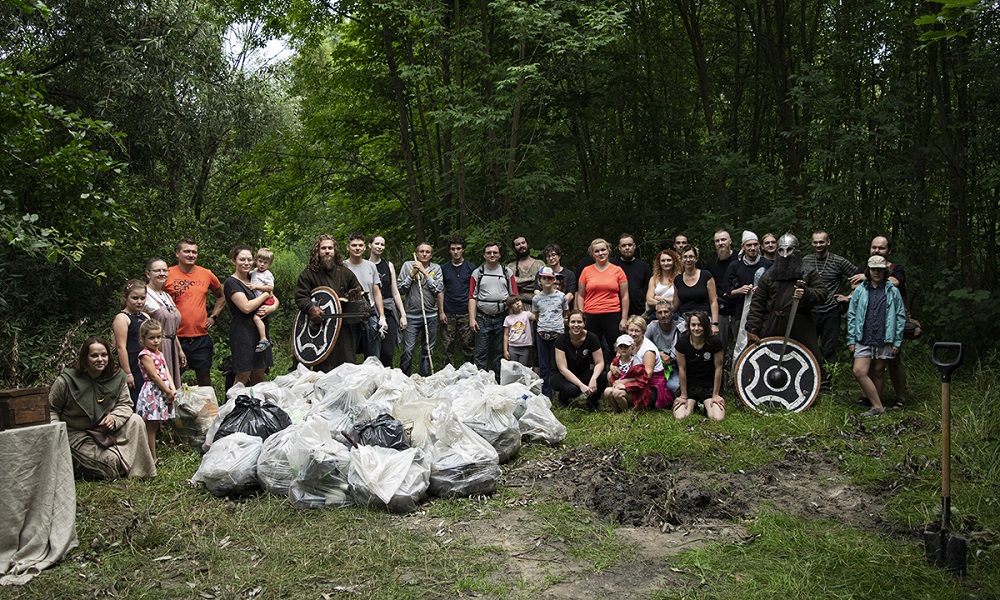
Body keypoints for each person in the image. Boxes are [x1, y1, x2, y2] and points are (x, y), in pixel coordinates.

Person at [48, 337, 157, 479]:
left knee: (135, 420)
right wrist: (58, 433)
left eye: (104, 355)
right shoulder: (66, 381)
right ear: (85, 358)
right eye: (94, 356)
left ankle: (141, 471)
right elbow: (51, 409)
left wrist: (114, 417)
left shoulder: (117, 378)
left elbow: (125, 404)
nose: (100, 359)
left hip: (108, 431)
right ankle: (118, 460)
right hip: (78, 434)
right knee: (111, 463)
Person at [745, 233, 828, 363]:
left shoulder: (808, 272)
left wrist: (806, 293)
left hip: (801, 326)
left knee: (811, 362)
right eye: (781, 250)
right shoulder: (769, 275)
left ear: (796, 251)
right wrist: (752, 329)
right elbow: (757, 303)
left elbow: (822, 294)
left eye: (789, 250)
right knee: (769, 361)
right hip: (774, 325)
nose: (785, 255)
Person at [850, 235, 909, 407]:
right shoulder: (865, 277)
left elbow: (896, 282)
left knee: (890, 365)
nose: (876, 250)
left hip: (889, 327)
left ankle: (900, 398)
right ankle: (873, 401)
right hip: (867, 329)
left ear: (888, 250)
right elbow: (854, 289)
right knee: (864, 368)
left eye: (881, 248)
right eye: (874, 247)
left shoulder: (896, 270)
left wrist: (865, 277)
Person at [296, 235, 363, 372]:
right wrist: (311, 308)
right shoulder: (308, 274)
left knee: (344, 370)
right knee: (317, 374)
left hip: (341, 329)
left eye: (330, 248)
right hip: (316, 329)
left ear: (335, 251)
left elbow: (359, 294)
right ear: (317, 251)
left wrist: (355, 301)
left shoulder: (345, 273)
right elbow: (301, 297)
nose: (327, 251)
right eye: (323, 248)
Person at [165, 239, 226, 387]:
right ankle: (174, 409)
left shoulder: (206, 274)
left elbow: (222, 296)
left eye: (194, 252)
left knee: (204, 380)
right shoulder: (167, 274)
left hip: (200, 337)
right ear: (177, 253)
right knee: (171, 379)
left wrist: (213, 316)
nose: (191, 255)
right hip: (174, 337)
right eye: (187, 251)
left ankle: (207, 409)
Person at [802, 231, 857, 383]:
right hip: (810, 311)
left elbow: (860, 276)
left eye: (821, 242)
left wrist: (849, 297)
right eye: (815, 242)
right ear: (812, 244)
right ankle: (809, 381)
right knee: (808, 347)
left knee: (828, 349)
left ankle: (826, 384)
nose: (818, 245)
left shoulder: (838, 261)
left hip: (830, 311)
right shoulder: (806, 260)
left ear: (828, 242)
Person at [225, 245, 278, 386]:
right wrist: (266, 294)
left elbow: (274, 297)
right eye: (242, 259)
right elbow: (246, 307)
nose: (246, 263)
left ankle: (255, 404)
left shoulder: (255, 277)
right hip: (243, 332)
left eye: (249, 259)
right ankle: (234, 404)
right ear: (234, 261)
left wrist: (272, 307)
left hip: (261, 332)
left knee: (259, 372)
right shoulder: (232, 283)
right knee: (244, 373)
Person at [576, 238, 629, 363]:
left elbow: (625, 295)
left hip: (612, 313)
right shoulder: (586, 271)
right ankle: (592, 377)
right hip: (591, 314)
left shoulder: (617, 270)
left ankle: (616, 374)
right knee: (590, 349)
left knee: (615, 347)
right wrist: (581, 315)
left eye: (603, 250)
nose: (601, 253)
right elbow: (580, 295)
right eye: (597, 251)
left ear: (608, 251)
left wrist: (624, 318)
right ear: (593, 254)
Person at [723, 231, 772, 361]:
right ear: (743, 247)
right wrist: (739, 290)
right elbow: (727, 292)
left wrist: (762, 290)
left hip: (764, 315)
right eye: (749, 245)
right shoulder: (735, 266)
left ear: (759, 246)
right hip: (740, 314)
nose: (752, 248)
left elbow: (775, 290)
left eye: (755, 245)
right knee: (742, 346)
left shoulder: (768, 265)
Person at [398, 242, 445, 376]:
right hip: (411, 315)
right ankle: (404, 378)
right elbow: (401, 289)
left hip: (430, 315)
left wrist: (424, 273)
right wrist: (412, 274)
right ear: (417, 253)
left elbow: (438, 289)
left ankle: (424, 378)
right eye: (422, 251)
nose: (424, 254)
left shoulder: (436, 269)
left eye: (427, 252)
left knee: (428, 350)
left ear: (431, 255)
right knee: (408, 350)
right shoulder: (408, 265)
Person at [673, 311, 726, 421]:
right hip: (690, 387)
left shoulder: (715, 342)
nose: (696, 328)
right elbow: (682, 369)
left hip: (708, 387)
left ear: (706, 326)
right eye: (693, 325)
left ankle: (704, 405)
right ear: (689, 326)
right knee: (681, 417)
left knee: (717, 418)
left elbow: (719, 368)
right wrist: (683, 395)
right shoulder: (682, 342)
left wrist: (715, 394)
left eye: (700, 325)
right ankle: (695, 404)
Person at [135, 319, 175, 465]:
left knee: (156, 424)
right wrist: (167, 391)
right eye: (151, 338)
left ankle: (153, 454)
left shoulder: (159, 353)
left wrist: (172, 388)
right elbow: (153, 375)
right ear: (143, 339)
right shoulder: (145, 355)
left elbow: (166, 371)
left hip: (163, 391)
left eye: (158, 337)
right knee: (151, 426)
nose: (156, 341)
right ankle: (151, 457)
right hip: (153, 391)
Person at [551, 310, 607, 409]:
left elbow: (600, 362)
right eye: (573, 322)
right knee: (574, 389)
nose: (576, 325)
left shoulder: (592, 338)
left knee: (602, 376)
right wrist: (581, 385)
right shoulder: (561, 340)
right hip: (561, 375)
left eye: (579, 322)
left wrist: (593, 378)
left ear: (584, 323)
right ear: (568, 324)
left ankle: (592, 402)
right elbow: (563, 369)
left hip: (582, 372)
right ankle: (562, 399)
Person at [144, 258, 184, 393]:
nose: (162, 273)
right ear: (148, 274)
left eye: (164, 270)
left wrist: (179, 349)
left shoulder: (167, 296)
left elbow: (171, 328)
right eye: (157, 270)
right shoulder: (144, 295)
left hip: (172, 344)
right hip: (157, 346)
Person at [345, 233, 386, 360]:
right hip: (350, 315)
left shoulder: (371, 266)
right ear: (348, 247)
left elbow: (376, 292)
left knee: (373, 355)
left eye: (360, 245)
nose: (357, 248)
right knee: (349, 354)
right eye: (354, 245)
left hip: (370, 313)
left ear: (364, 248)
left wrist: (382, 316)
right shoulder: (342, 267)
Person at [617, 315, 671, 409]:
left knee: (618, 392)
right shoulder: (626, 343)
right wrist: (613, 367)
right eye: (631, 330)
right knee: (610, 374)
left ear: (643, 332)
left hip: (649, 385)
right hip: (633, 378)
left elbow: (647, 375)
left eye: (637, 331)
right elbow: (617, 360)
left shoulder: (648, 349)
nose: (633, 334)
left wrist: (625, 381)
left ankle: (627, 402)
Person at [368, 234, 406, 367]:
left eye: (382, 244)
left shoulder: (388, 265)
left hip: (389, 309)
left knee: (387, 351)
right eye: (377, 243)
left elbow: (395, 291)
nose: (379, 247)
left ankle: (388, 380)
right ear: (370, 245)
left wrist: (403, 314)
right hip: (371, 311)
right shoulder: (365, 265)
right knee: (373, 352)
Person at [532, 266, 569, 397]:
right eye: (544, 278)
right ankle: (546, 394)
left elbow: (565, 313)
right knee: (543, 365)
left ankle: (562, 391)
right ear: (539, 281)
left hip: (558, 333)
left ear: (554, 280)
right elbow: (536, 316)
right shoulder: (536, 299)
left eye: (549, 278)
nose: (547, 280)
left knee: (560, 364)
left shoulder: (562, 297)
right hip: (542, 333)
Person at [112, 279, 149, 406]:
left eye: (142, 298)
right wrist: (128, 373)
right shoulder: (122, 318)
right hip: (132, 361)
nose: (139, 302)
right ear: (125, 297)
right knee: (135, 397)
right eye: (135, 298)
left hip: (146, 361)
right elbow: (121, 347)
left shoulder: (145, 316)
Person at [440, 236, 476, 367]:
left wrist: (473, 314)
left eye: (458, 249)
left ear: (463, 250)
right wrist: (441, 311)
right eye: (453, 249)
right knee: (447, 345)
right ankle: (447, 373)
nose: (456, 252)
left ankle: (469, 373)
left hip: (466, 312)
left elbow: (474, 292)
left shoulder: (471, 268)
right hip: (449, 311)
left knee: (468, 345)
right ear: (449, 251)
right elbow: (440, 290)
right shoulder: (444, 269)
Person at [673, 246, 720, 337]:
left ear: (696, 258)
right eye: (685, 257)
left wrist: (715, 324)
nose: (688, 260)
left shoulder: (706, 275)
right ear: (681, 259)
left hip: (703, 319)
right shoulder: (678, 279)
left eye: (691, 256)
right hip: (684, 320)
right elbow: (675, 304)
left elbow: (713, 301)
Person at [644, 301, 682, 399]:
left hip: (677, 365)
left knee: (672, 386)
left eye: (666, 312)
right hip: (658, 366)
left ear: (672, 313)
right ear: (656, 315)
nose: (663, 315)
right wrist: (659, 353)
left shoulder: (680, 327)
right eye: (660, 313)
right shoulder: (652, 327)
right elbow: (642, 344)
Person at [705, 229, 736, 348]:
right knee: (718, 345)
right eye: (717, 241)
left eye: (723, 239)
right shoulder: (711, 263)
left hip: (738, 309)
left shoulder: (739, 258)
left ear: (730, 241)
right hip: (720, 310)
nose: (720, 243)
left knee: (741, 344)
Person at [604, 334, 649, 413]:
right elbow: (614, 377)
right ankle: (616, 409)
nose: (623, 349)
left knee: (617, 393)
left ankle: (626, 411)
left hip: (634, 392)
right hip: (618, 388)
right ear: (616, 348)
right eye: (621, 347)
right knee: (607, 391)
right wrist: (613, 381)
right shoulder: (616, 361)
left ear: (632, 347)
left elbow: (641, 382)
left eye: (626, 346)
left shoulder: (636, 363)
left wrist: (625, 386)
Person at [611, 233, 652, 318]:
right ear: (619, 247)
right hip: (616, 312)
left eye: (629, 245)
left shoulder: (643, 266)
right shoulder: (612, 266)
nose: (627, 248)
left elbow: (651, 289)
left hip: (639, 313)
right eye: (624, 245)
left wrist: (648, 311)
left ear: (634, 246)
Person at [248, 247, 276, 353]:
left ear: (269, 264)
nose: (262, 264)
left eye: (265, 262)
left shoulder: (267, 274)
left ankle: (264, 339)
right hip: (260, 299)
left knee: (256, 318)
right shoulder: (255, 271)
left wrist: (256, 287)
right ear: (256, 260)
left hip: (266, 300)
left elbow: (270, 288)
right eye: (260, 261)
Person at [646, 248, 681, 318]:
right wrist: (668, 301)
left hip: (674, 313)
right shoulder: (653, 279)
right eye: (663, 261)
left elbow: (678, 300)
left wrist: (658, 298)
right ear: (659, 262)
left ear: (674, 262)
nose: (666, 263)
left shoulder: (679, 278)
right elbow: (649, 300)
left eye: (669, 260)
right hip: (656, 314)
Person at [509, 236, 545, 304]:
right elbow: (512, 282)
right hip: (519, 307)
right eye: (517, 244)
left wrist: (521, 289)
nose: (521, 246)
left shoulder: (539, 263)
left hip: (539, 305)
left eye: (523, 243)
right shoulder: (511, 266)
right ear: (514, 248)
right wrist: (532, 278)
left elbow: (543, 283)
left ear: (527, 244)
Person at [502, 295, 533, 367]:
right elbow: (506, 335)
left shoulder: (527, 314)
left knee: (523, 367)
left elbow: (535, 317)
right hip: (513, 347)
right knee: (514, 368)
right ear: (510, 307)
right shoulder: (508, 318)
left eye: (518, 301)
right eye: (514, 303)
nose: (517, 303)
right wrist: (505, 350)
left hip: (524, 347)